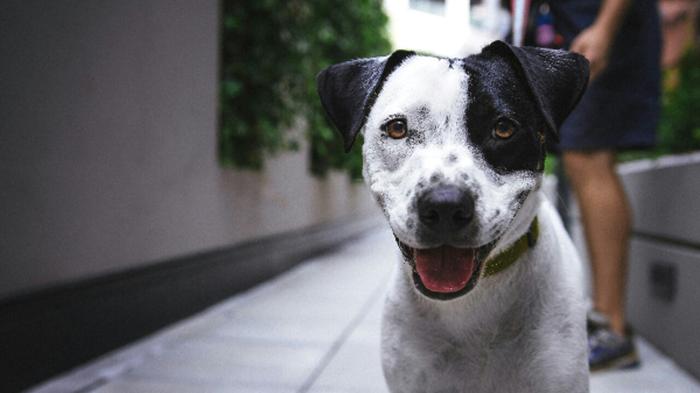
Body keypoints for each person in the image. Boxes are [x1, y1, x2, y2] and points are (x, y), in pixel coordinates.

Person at [548, 0, 662, 371]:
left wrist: (606, 27)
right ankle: (603, 322)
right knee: (580, 156)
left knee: (589, 155)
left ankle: (612, 328)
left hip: (600, 30)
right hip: (582, 28)